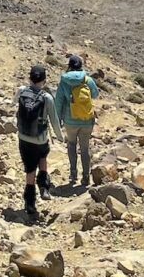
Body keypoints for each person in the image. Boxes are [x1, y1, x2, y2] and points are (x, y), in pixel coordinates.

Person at [17, 63, 64, 223]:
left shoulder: (22, 91)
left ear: (30, 78)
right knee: (43, 157)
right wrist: (60, 136)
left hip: (23, 137)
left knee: (29, 170)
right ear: (44, 81)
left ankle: (30, 203)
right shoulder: (46, 98)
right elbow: (54, 120)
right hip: (40, 138)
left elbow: (13, 103)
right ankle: (44, 187)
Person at [54, 54, 99, 187]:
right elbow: (95, 94)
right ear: (81, 66)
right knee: (85, 149)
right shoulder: (87, 80)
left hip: (70, 120)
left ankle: (73, 174)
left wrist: (58, 119)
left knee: (72, 145)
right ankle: (86, 177)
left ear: (69, 65)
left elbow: (59, 101)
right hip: (86, 120)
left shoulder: (64, 81)